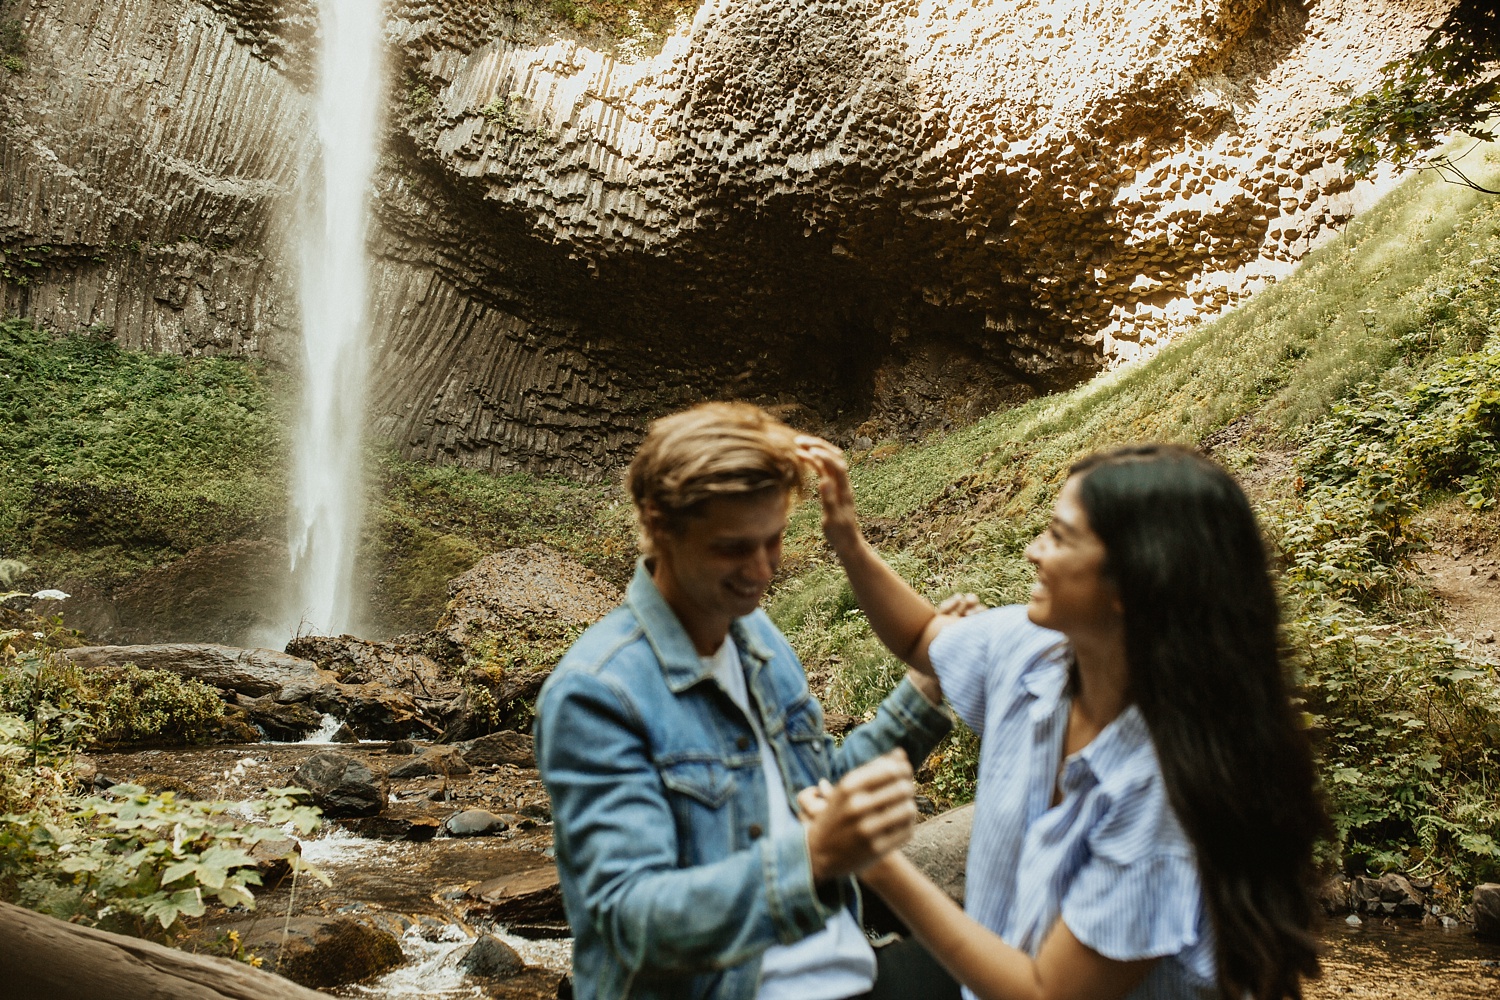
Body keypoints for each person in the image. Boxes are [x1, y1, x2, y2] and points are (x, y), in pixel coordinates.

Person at [796, 439, 1327, 1000]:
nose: (1033, 550)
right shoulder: (1036, 649)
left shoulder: (1160, 793)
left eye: (1059, 536)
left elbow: (1047, 994)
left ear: (1132, 581)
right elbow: (921, 636)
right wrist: (849, 542)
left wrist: (878, 865)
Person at [535, 402, 959, 1000]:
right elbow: (631, 920)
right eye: (734, 548)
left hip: (847, 968)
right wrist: (811, 858)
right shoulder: (596, 693)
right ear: (660, 526)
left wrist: (925, 690)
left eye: (775, 539)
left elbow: (817, 792)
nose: (761, 571)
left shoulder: (755, 635)